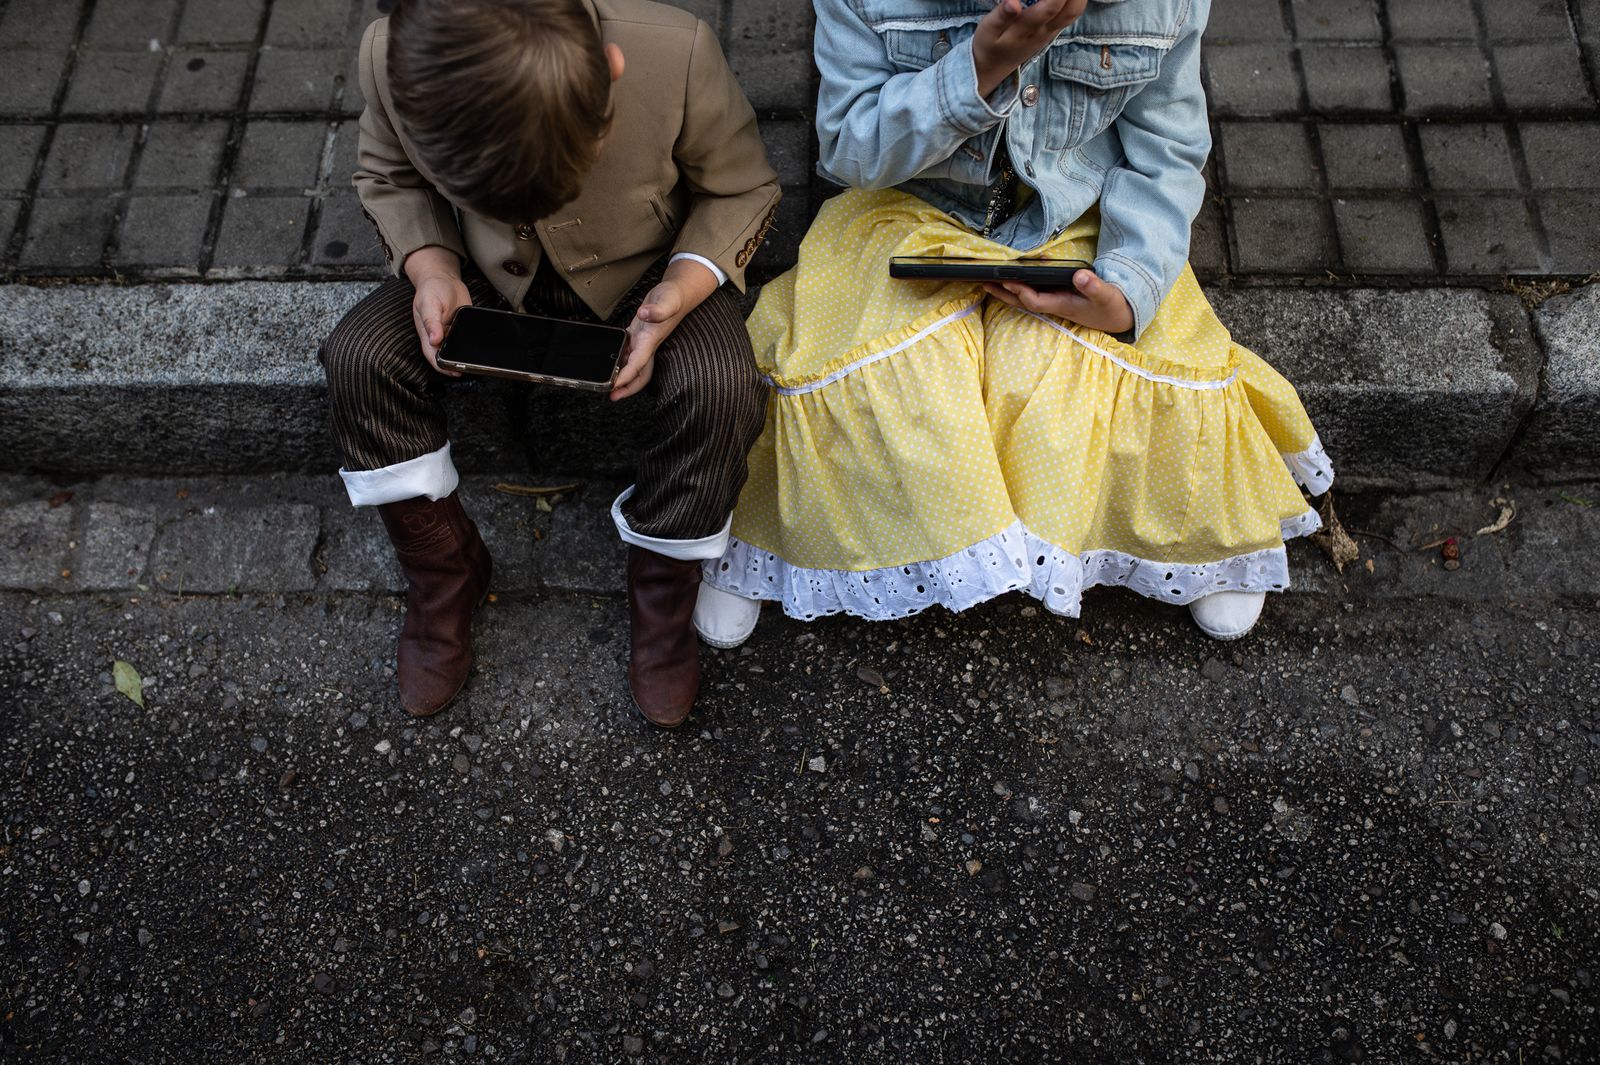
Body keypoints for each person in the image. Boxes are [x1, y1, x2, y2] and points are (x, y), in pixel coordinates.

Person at [692, 0, 1333, 649]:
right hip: (907, 207)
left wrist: (1127, 287)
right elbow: (850, 147)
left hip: (1077, 215)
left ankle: (1197, 544)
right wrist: (979, 67)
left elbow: (1166, 155)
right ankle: (771, 540)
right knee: (870, 368)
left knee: (1078, 369)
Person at [319, 0, 781, 727]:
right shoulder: (390, 54)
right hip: (475, 273)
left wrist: (680, 291)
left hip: (647, 271)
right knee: (357, 359)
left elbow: (743, 185)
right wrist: (432, 268)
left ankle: (663, 596)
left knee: (721, 386)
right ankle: (446, 576)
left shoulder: (679, 51)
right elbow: (389, 176)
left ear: (612, 72)